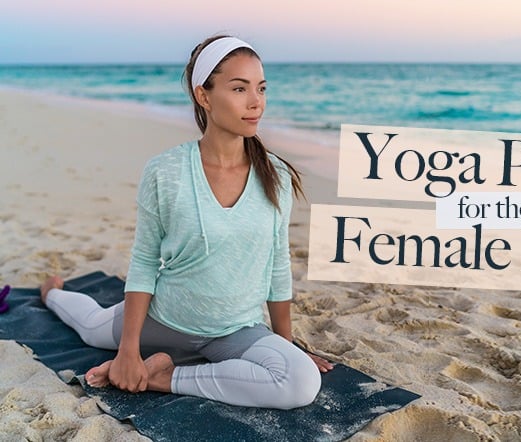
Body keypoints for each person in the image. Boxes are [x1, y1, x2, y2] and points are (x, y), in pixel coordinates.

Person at [40, 35, 333, 409]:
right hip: (165, 319)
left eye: (261, 88)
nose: (256, 102)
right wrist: (128, 352)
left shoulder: (273, 175)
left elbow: (277, 266)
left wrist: (285, 346)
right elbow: (145, 261)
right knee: (91, 328)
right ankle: (52, 293)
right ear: (204, 96)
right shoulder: (166, 171)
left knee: (300, 382)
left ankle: (164, 377)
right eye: (239, 88)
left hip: (235, 331)